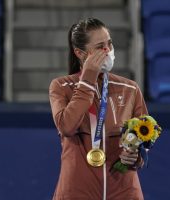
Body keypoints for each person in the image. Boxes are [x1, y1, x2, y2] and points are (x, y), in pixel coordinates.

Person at [49, 18, 148, 200]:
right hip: (77, 192)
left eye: (109, 44)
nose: (107, 51)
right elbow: (67, 126)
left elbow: (143, 140)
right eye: (100, 47)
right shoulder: (62, 87)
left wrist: (135, 157)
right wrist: (87, 81)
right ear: (80, 53)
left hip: (124, 192)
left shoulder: (130, 89)